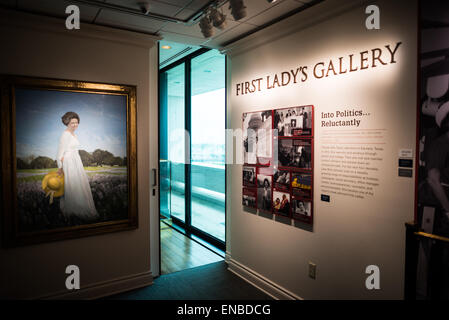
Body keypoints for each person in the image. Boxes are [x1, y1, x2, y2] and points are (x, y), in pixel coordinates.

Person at [57, 111, 98, 222]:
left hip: (76, 160)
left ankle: (81, 209)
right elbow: (60, 153)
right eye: (72, 122)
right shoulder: (65, 134)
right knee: (73, 186)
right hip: (69, 162)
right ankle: (73, 211)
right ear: (67, 122)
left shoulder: (73, 134)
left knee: (79, 185)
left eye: (76, 122)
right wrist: (60, 167)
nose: (75, 125)